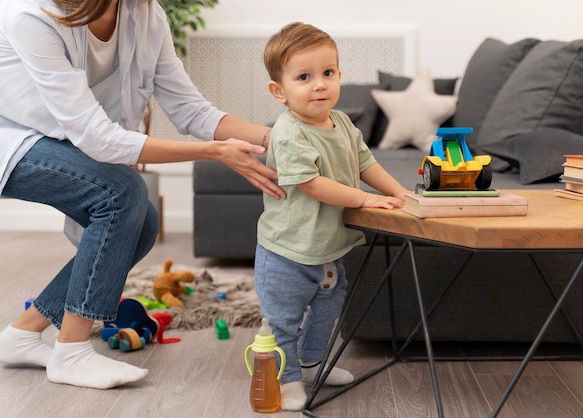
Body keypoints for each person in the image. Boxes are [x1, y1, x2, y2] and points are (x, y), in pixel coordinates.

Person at [0, 0, 286, 390]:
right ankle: (71, 352)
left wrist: (282, 137)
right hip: (9, 139)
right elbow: (97, 137)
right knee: (121, 192)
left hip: (49, 137)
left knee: (143, 222)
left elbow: (191, 109)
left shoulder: (145, 15)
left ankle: (22, 334)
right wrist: (213, 151)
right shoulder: (32, 15)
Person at [255, 22, 413, 411]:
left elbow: (365, 161)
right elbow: (312, 184)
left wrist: (396, 191)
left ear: (339, 75)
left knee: (328, 310)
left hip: (327, 248)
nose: (319, 85)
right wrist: (364, 200)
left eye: (327, 73)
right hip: (287, 252)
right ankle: (287, 378)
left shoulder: (341, 122)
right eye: (304, 77)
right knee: (284, 322)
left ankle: (311, 364)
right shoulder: (288, 132)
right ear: (280, 91)